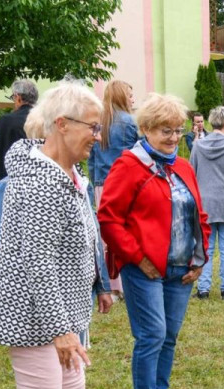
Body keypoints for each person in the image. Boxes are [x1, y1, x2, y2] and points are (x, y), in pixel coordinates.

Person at [0, 82, 131, 389]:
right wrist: (61, 330)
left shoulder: (66, 174)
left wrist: (97, 286)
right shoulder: (39, 183)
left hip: (61, 308)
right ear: (61, 125)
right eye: (93, 127)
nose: (98, 136)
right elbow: (38, 263)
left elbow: (84, 240)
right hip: (31, 313)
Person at [98, 93, 210, 389]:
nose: (174, 137)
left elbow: (198, 216)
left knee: (170, 337)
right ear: (145, 129)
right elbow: (109, 218)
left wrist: (200, 258)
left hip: (181, 269)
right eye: (166, 131)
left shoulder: (183, 166)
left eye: (178, 130)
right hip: (144, 269)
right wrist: (137, 257)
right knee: (152, 335)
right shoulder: (128, 166)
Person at [90, 80, 138, 298]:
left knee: (104, 234)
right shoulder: (129, 122)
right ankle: (123, 283)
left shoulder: (98, 122)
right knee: (124, 231)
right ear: (121, 96)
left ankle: (107, 283)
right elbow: (135, 156)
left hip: (101, 184)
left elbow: (90, 158)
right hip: (123, 184)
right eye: (129, 94)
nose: (132, 98)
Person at [189, 104, 224, 300]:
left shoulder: (198, 147)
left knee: (206, 248)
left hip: (205, 204)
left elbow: (192, 175)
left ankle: (203, 289)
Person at [0, 79, 38, 182]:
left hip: (9, 179)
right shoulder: (44, 120)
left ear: (18, 97)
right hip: (37, 178)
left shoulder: (6, 121)